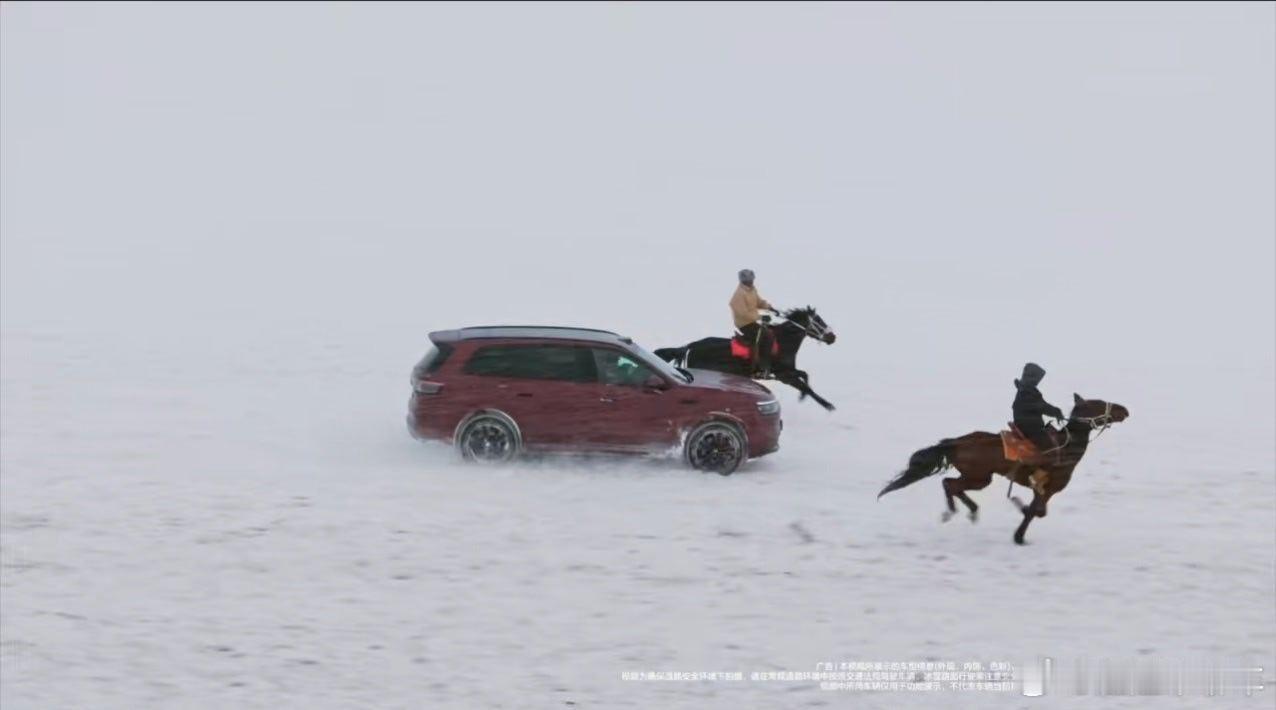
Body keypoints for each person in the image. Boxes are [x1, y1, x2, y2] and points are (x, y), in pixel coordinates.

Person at [730, 269, 777, 377]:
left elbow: (759, 302)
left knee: (771, 331)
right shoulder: (739, 295)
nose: (750, 282)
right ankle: (760, 368)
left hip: (751, 321)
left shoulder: (752, 290)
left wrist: (770, 308)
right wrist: (761, 316)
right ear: (743, 281)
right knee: (766, 336)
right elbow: (743, 313)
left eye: (751, 280)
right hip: (743, 323)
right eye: (748, 281)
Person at [1012, 362, 1066, 456]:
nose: (1038, 381)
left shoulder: (1026, 389)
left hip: (1027, 425)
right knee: (1051, 449)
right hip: (1029, 428)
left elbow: (1042, 405)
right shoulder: (1027, 391)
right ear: (1032, 377)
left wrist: (1056, 412)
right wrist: (1057, 412)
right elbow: (1042, 406)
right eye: (1037, 378)